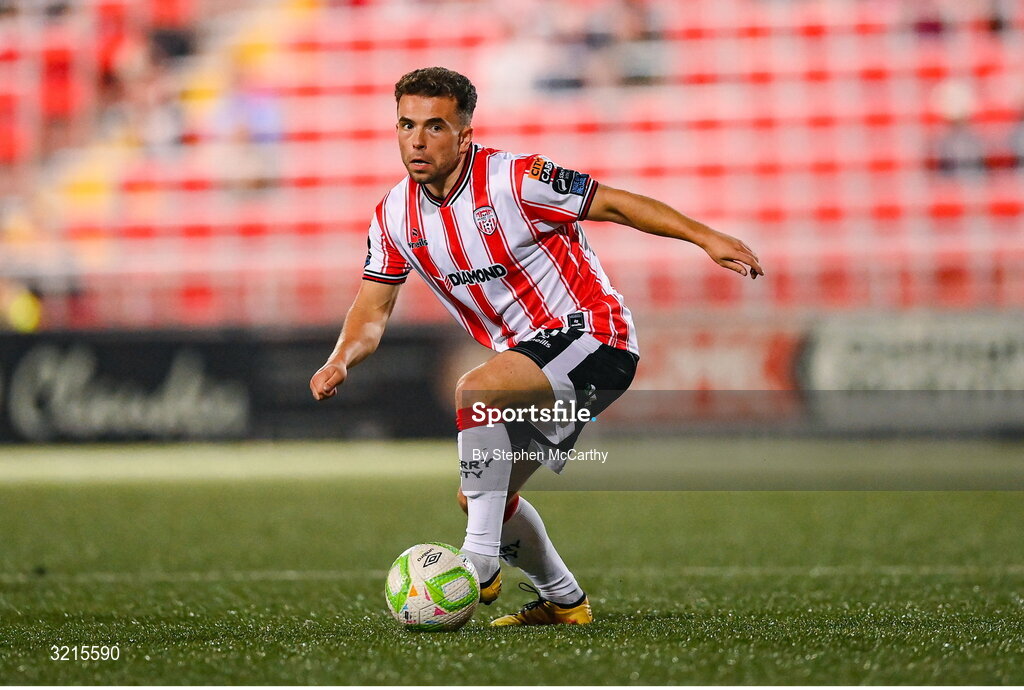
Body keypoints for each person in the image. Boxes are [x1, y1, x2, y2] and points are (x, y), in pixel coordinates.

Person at [309, 67, 763, 626]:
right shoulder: (393, 216)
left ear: (464, 134)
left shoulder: (519, 179)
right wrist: (340, 358)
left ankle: (477, 563)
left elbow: (614, 203)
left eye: (434, 126)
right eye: (406, 124)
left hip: (595, 337)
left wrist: (706, 236)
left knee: (476, 390)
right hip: (532, 358)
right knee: (480, 498)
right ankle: (564, 600)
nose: (417, 140)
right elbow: (370, 311)